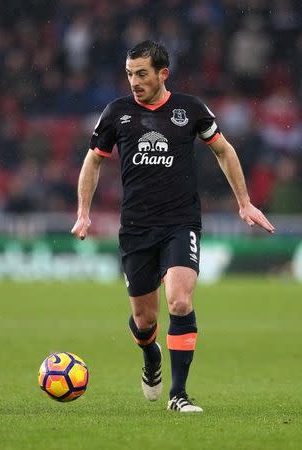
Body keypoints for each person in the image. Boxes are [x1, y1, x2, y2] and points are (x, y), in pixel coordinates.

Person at [71, 40, 275, 413]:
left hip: (181, 222)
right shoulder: (117, 113)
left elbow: (224, 150)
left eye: (142, 74)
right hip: (136, 227)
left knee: (180, 301)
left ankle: (178, 395)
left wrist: (244, 203)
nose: (134, 81)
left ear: (163, 73)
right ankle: (151, 356)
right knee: (144, 320)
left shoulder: (189, 109)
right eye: (130, 74)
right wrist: (83, 212)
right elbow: (93, 161)